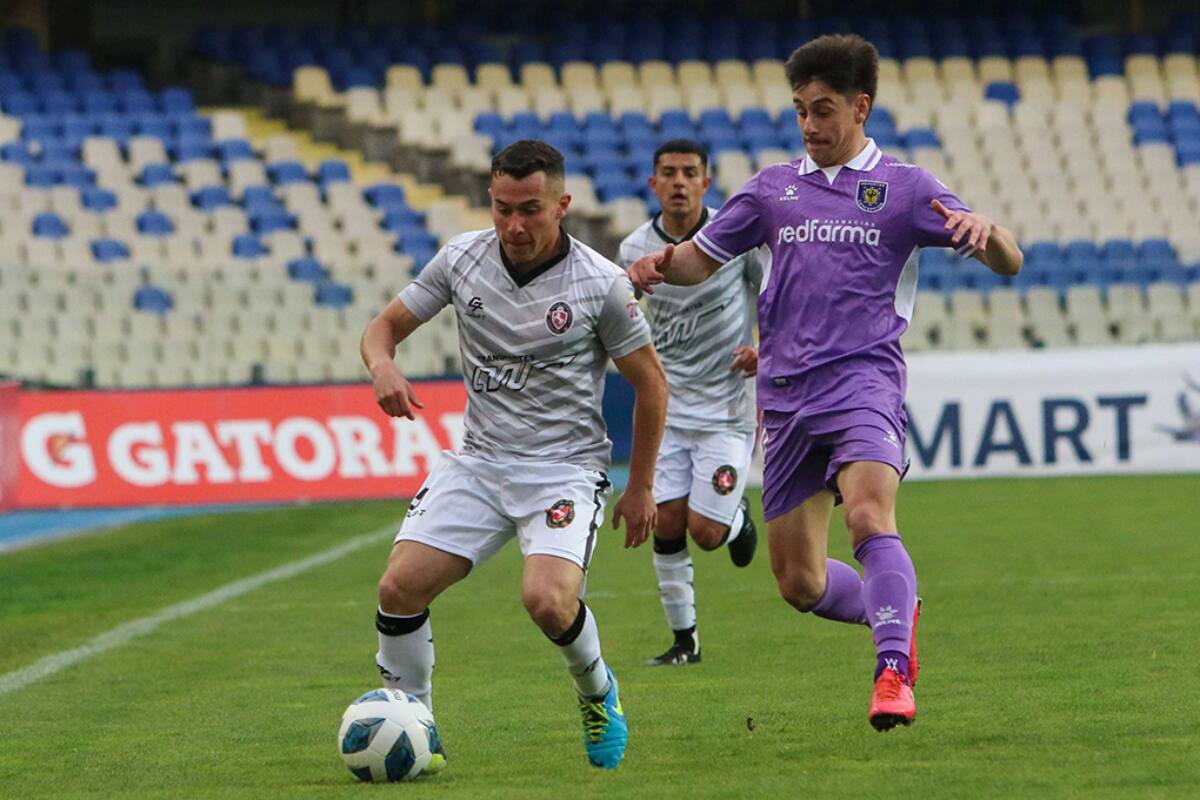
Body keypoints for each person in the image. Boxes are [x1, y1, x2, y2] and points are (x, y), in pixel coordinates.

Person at [628, 35, 1023, 730]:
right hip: (783, 397)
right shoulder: (773, 188)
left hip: (864, 382)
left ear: (861, 106)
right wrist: (658, 267)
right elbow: (699, 261)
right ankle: (895, 603)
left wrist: (987, 230)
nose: (809, 126)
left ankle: (894, 669)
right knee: (800, 584)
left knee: (870, 514)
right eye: (800, 111)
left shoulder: (907, 189)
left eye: (824, 110)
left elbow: (1009, 262)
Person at [362, 139, 668, 769]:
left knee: (547, 601)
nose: (514, 225)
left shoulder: (601, 285)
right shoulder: (462, 259)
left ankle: (597, 693)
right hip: (479, 463)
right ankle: (415, 726)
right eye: (502, 208)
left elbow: (651, 386)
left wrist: (640, 487)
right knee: (398, 588)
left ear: (562, 204)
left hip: (564, 470)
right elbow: (382, 327)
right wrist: (383, 365)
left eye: (530, 209)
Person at [617, 139, 762, 667]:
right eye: (668, 173)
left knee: (705, 533)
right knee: (669, 522)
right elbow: (619, 317)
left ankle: (737, 520)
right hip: (669, 413)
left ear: (706, 182)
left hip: (726, 408)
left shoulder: (737, 241)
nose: (679, 182)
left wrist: (767, 349)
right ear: (653, 184)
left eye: (690, 173)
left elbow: (778, 296)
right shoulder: (633, 250)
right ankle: (685, 642)